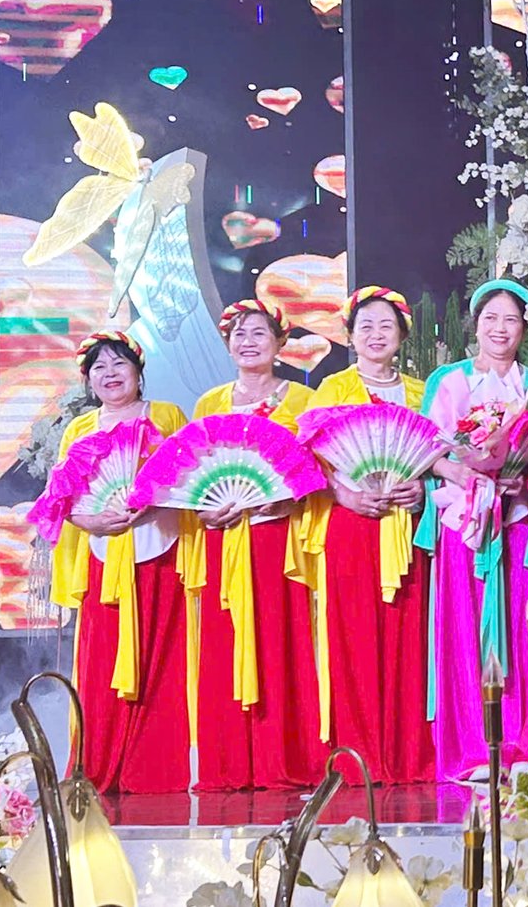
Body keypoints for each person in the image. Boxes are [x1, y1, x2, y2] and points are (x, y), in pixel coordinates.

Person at [47, 332, 200, 793]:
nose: (110, 374)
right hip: (104, 560)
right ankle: (99, 766)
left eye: (120, 364)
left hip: (161, 556)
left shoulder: (167, 416)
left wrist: (150, 506)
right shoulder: (79, 429)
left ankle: (157, 773)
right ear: (88, 380)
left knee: (164, 661)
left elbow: (191, 478)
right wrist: (93, 520)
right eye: (99, 367)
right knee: (100, 663)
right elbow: (62, 500)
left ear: (138, 371)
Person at [415, 279, 528, 781]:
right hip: (464, 523)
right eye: (491, 318)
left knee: (521, 629)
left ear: (524, 330)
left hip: (516, 524)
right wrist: (460, 471)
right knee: (465, 629)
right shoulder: (448, 380)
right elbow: (427, 448)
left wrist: (520, 477)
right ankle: (472, 747)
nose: (500, 329)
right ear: (475, 324)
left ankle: (523, 744)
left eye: (511, 320)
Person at [299, 285, 436, 784]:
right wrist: (344, 494)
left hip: (408, 531)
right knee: (353, 639)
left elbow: (439, 456)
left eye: (386, 325)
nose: (376, 335)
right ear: (350, 336)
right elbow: (310, 459)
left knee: (410, 639)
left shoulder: (423, 392)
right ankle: (358, 757)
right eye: (366, 326)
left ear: (402, 334)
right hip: (352, 527)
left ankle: (410, 757)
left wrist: (422, 490)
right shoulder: (333, 389)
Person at [191, 300, 327, 791]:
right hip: (224, 539)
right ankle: (229, 765)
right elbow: (192, 474)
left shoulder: (305, 401)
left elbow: (319, 472)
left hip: (278, 540)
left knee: (282, 642)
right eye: (239, 334)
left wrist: (288, 500)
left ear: (280, 343)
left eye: (259, 333)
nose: (248, 342)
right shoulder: (209, 404)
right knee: (223, 647)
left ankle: (285, 759)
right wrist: (205, 511)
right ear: (228, 345)